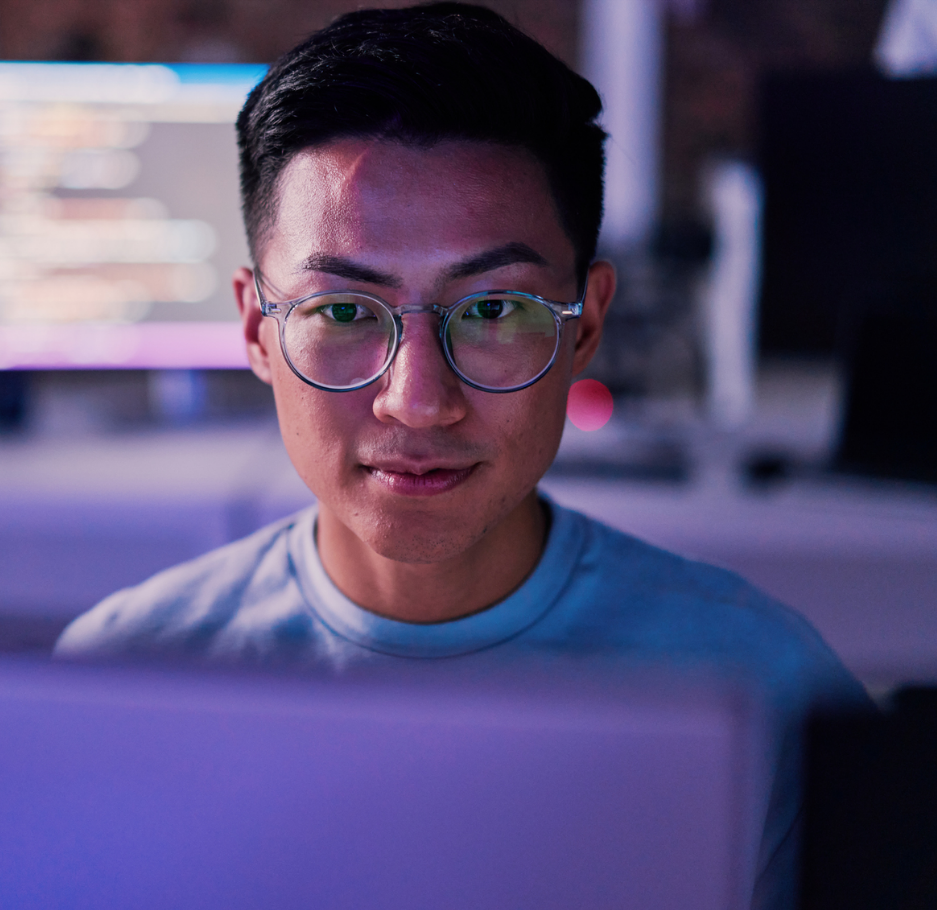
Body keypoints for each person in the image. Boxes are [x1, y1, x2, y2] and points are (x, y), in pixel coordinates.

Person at [56, 4, 869, 907]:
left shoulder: (763, 687)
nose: (417, 400)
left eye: (491, 311)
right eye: (340, 311)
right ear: (255, 327)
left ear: (585, 324)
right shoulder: (122, 679)